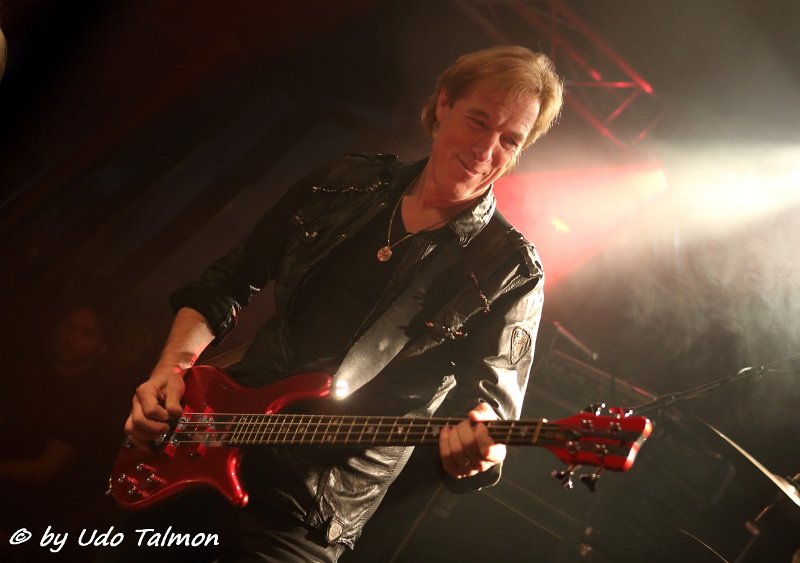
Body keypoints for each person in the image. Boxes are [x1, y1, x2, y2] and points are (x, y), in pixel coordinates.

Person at [119, 45, 563, 562]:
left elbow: (494, 407)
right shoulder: (343, 184)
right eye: (479, 121)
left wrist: (483, 444)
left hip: (309, 513)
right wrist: (170, 372)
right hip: (202, 442)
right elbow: (227, 280)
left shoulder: (508, 270)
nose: (486, 149)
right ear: (444, 103)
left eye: (509, 140)